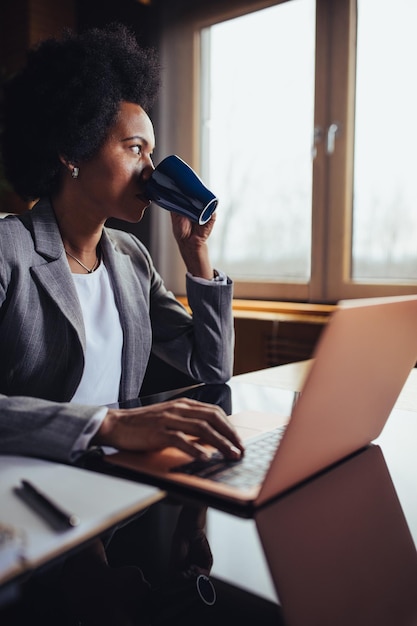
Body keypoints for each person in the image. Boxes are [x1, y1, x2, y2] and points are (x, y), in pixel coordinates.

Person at [0, 23, 243, 466]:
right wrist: (107, 426)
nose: (150, 171)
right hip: (27, 484)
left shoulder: (130, 258)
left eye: (151, 153)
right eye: (135, 149)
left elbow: (211, 367)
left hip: (113, 479)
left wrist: (197, 256)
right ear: (73, 152)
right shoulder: (8, 249)